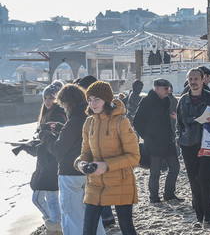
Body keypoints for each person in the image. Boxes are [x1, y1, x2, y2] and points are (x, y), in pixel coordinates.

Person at [75, 81, 140, 235]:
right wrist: (80, 163)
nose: (92, 104)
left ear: (106, 99)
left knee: (127, 228)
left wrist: (106, 165)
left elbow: (134, 157)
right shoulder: (88, 122)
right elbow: (85, 152)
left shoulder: (121, 122)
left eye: (96, 99)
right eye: (89, 100)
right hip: (95, 182)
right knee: (88, 230)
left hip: (121, 182)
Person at [41, 84, 106, 235]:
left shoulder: (74, 121)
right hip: (91, 171)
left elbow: (59, 149)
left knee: (72, 216)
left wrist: (45, 136)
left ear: (68, 102)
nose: (63, 108)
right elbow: (77, 140)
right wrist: (60, 129)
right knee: (92, 215)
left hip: (70, 173)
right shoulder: (91, 118)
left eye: (63, 104)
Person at [176, 68, 210, 226]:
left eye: (196, 78)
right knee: (194, 180)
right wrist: (181, 138)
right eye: (190, 79)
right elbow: (179, 124)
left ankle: (209, 215)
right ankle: (199, 216)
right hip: (188, 146)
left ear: (203, 79)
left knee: (207, 179)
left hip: (208, 145)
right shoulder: (183, 100)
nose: (193, 82)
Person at [26, 81, 66, 234]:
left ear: (57, 98)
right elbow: (46, 139)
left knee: (45, 197)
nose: (48, 101)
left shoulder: (58, 115)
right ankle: (57, 224)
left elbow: (57, 140)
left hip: (51, 162)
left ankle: (56, 226)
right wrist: (33, 145)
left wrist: (38, 144)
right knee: (47, 197)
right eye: (45, 98)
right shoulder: (48, 114)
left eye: (51, 98)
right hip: (45, 160)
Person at [133, 78, 180, 203]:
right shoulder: (147, 101)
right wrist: (147, 135)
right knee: (155, 172)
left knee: (175, 167)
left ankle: (169, 194)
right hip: (153, 142)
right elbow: (136, 121)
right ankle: (154, 197)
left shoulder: (168, 100)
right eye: (166, 88)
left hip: (168, 141)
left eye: (169, 88)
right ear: (156, 88)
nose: (168, 90)